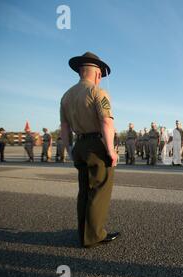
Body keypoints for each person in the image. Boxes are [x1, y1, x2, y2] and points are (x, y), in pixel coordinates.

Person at [60, 51, 119, 248]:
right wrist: (110, 150)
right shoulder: (98, 92)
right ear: (98, 74)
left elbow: (65, 127)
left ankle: (83, 232)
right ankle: (94, 235)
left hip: (79, 145)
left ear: (80, 72)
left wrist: (69, 149)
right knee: (99, 189)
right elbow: (106, 122)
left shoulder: (66, 96)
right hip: (96, 145)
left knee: (84, 190)